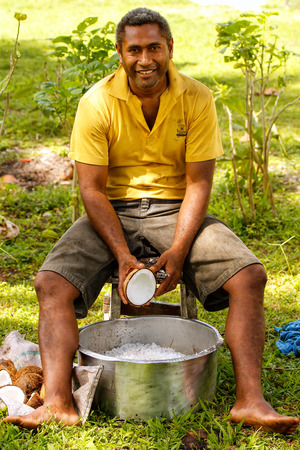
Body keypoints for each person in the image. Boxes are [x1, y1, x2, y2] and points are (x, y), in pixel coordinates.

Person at [4, 8, 299, 434]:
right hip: (111, 210)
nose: (146, 60)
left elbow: (198, 183)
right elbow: (91, 189)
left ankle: (250, 401)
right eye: (135, 50)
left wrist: (179, 250)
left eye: (154, 48)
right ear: (120, 54)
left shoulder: (196, 97)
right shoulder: (97, 102)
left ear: (170, 49)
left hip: (176, 208)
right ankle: (57, 404)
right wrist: (122, 254)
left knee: (249, 276)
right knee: (51, 283)